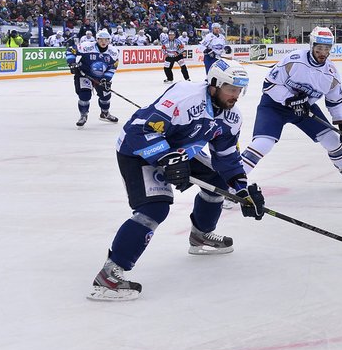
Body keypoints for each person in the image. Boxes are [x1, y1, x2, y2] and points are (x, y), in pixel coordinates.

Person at [87, 59, 264, 301]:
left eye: (239, 90)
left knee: (219, 183)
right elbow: (139, 130)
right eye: (231, 89)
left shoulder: (232, 117)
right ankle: (109, 275)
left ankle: (200, 235)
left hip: (181, 152)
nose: (236, 96)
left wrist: (242, 190)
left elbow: (227, 157)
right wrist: (164, 158)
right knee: (154, 208)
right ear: (214, 84)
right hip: (137, 150)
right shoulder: (185, 97)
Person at [240, 26, 342, 189]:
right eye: (319, 48)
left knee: (332, 140)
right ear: (312, 45)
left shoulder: (331, 74)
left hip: (306, 109)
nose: (322, 52)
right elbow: (269, 85)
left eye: (326, 48)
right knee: (263, 143)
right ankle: (232, 184)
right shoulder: (293, 60)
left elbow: (336, 102)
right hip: (274, 106)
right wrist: (289, 99)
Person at [66, 29, 119, 127]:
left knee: (106, 96)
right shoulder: (87, 46)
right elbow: (70, 50)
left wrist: (106, 79)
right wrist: (72, 63)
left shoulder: (113, 52)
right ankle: (83, 115)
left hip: (101, 77)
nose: (103, 42)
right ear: (97, 39)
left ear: (109, 40)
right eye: (101, 39)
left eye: (106, 40)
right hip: (84, 74)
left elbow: (113, 66)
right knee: (84, 95)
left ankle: (105, 113)